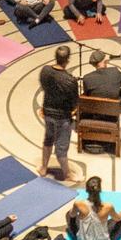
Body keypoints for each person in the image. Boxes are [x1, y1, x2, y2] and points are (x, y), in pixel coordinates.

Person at [37, 44, 79, 179]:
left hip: (47, 112)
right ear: (67, 60)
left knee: (48, 140)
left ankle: (43, 168)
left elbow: (44, 86)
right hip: (62, 118)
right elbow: (74, 103)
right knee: (61, 147)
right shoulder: (70, 80)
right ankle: (67, 174)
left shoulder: (45, 70)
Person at [67, 174, 121, 240]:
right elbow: (118, 218)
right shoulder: (108, 206)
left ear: (87, 190)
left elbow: (72, 215)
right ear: (100, 190)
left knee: (68, 214)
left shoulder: (78, 204)